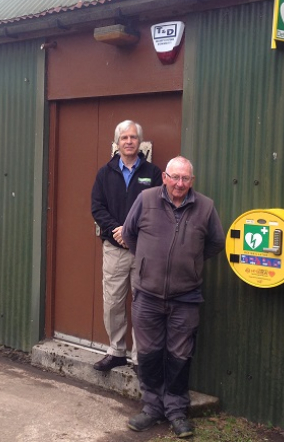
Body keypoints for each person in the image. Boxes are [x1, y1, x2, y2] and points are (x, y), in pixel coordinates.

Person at [122, 156, 225, 438]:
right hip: (147, 295)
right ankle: (152, 407)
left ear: (192, 181)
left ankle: (177, 410)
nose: (179, 184)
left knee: (180, 355)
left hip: (186, 297)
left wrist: (188, 264)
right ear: (165, 177)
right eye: (174, 177)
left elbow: (216, 243)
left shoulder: (205, 207)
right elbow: (130, 235)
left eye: (185, 179)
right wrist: (147, 263)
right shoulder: (146, 199)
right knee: (150, 354)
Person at [91, 120, 162, 372]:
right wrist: (116, 230)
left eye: (133, 137)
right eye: (124, 138)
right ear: (117, 142)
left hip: (143, 250)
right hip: (115, 249)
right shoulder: (105, 173)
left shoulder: (153, 173)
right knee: (112, 302)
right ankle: (117, 351)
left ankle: (140, 358)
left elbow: (158, 208)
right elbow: (97, 207)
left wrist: (131, 230)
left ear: (139, 142)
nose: (129, 141)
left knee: (143, 303)